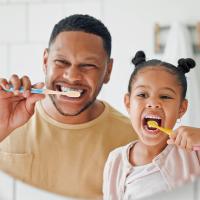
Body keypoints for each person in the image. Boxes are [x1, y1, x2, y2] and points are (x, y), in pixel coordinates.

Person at [0, 14, 137, 199]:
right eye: (61, 62)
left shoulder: (133, 141)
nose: (72, 77)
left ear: (108, 70)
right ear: (45, 61)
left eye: (88, 65)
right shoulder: (7, 121)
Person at [103, 51, 200, 200]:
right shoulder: (115, 161)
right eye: (142, 95)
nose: (153, 103)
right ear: (128, 103)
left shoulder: (193, 153)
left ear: (182, 108)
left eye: (165, 96)